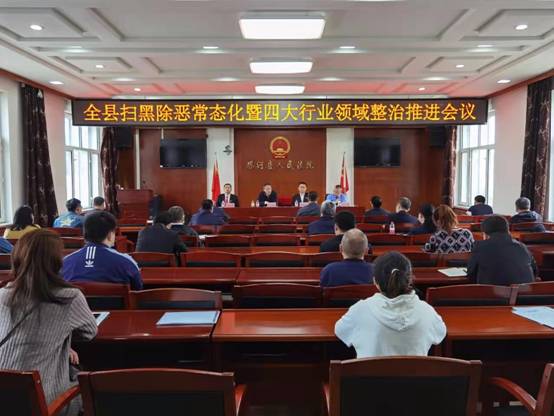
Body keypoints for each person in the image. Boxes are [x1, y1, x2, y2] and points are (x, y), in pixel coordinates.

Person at [0, 230, 97, 415]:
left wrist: (55, 336)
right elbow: (89, 332)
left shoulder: (3, 293)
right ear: (57, 261)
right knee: (88, 383)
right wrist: (59, 334)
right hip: (46, 405)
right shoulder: (69, 297)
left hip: (4, 401)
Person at [335, 251, 446, 358]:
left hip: (371, 372)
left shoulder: (360, 310)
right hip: (415, 372)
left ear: (375, 282)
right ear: (409, 280)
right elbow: (440, 332)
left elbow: (340, 330)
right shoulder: (426, 311)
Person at [62, 211, 142, 290]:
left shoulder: (64, 262)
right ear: (110, 235)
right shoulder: (126, 262)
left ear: (85, 234)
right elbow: (137, 289)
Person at [467, 215, 537, 285]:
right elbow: (535, 271)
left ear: (485, 234)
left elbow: (471, 274)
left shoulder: (480, 247)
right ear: (507, 230)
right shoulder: (522, 246)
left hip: (492, 291)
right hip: (525, 291)